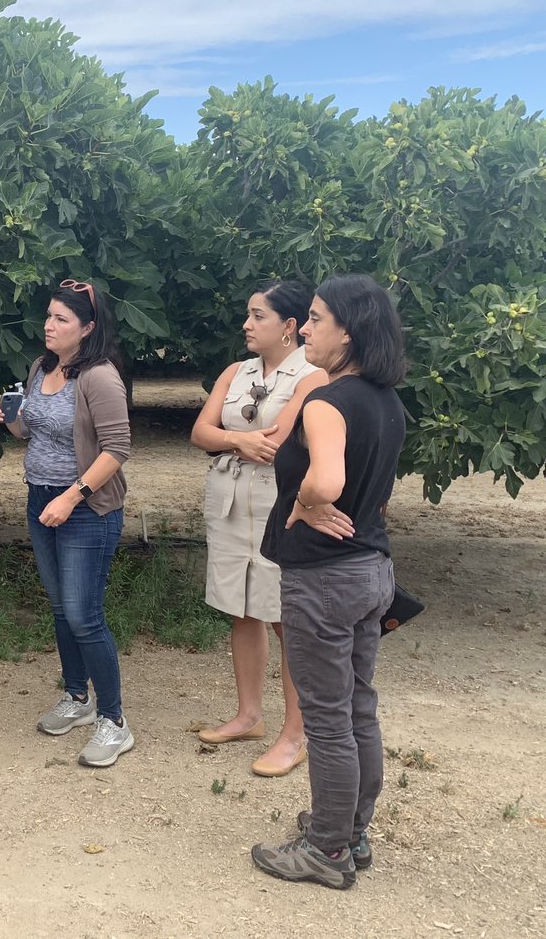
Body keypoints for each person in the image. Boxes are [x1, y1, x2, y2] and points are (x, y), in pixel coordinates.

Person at [249, 274, 407, 890]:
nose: (304, 329)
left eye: (316, 319)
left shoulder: (326, 402)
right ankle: (352, 831)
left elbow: (328, 480)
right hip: (373, 571)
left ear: (350, 329)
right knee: (359, 709)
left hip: (324, 578)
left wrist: (306, 503)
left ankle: (327, 851)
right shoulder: (386, 400)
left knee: (326, 719)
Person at [0, 279, 133, 767]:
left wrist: (72, 497)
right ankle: (77, 698)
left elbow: (116, 449)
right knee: (60, 609)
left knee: (84, 616)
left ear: (87, 328)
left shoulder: (100, 377)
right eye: (48, 316)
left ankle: (113, 721)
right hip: (41, 501)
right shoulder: (40, 368)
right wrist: (7, 417)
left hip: (86, 509)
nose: (48, 326)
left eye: (61, 320)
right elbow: (31, 431)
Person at [190, 281, 326, 777]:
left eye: (257, 316)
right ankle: (249, 715)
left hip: (277, 503)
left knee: (283, 615)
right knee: (240, 608)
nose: (246, 325)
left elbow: (278, 440)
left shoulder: (313, 376)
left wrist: (227, 439)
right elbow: (198, 432)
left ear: (289, 326)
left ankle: (296, 732)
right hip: (229, 502)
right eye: (248, 315)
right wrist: (236, 440)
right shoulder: (235, 371)